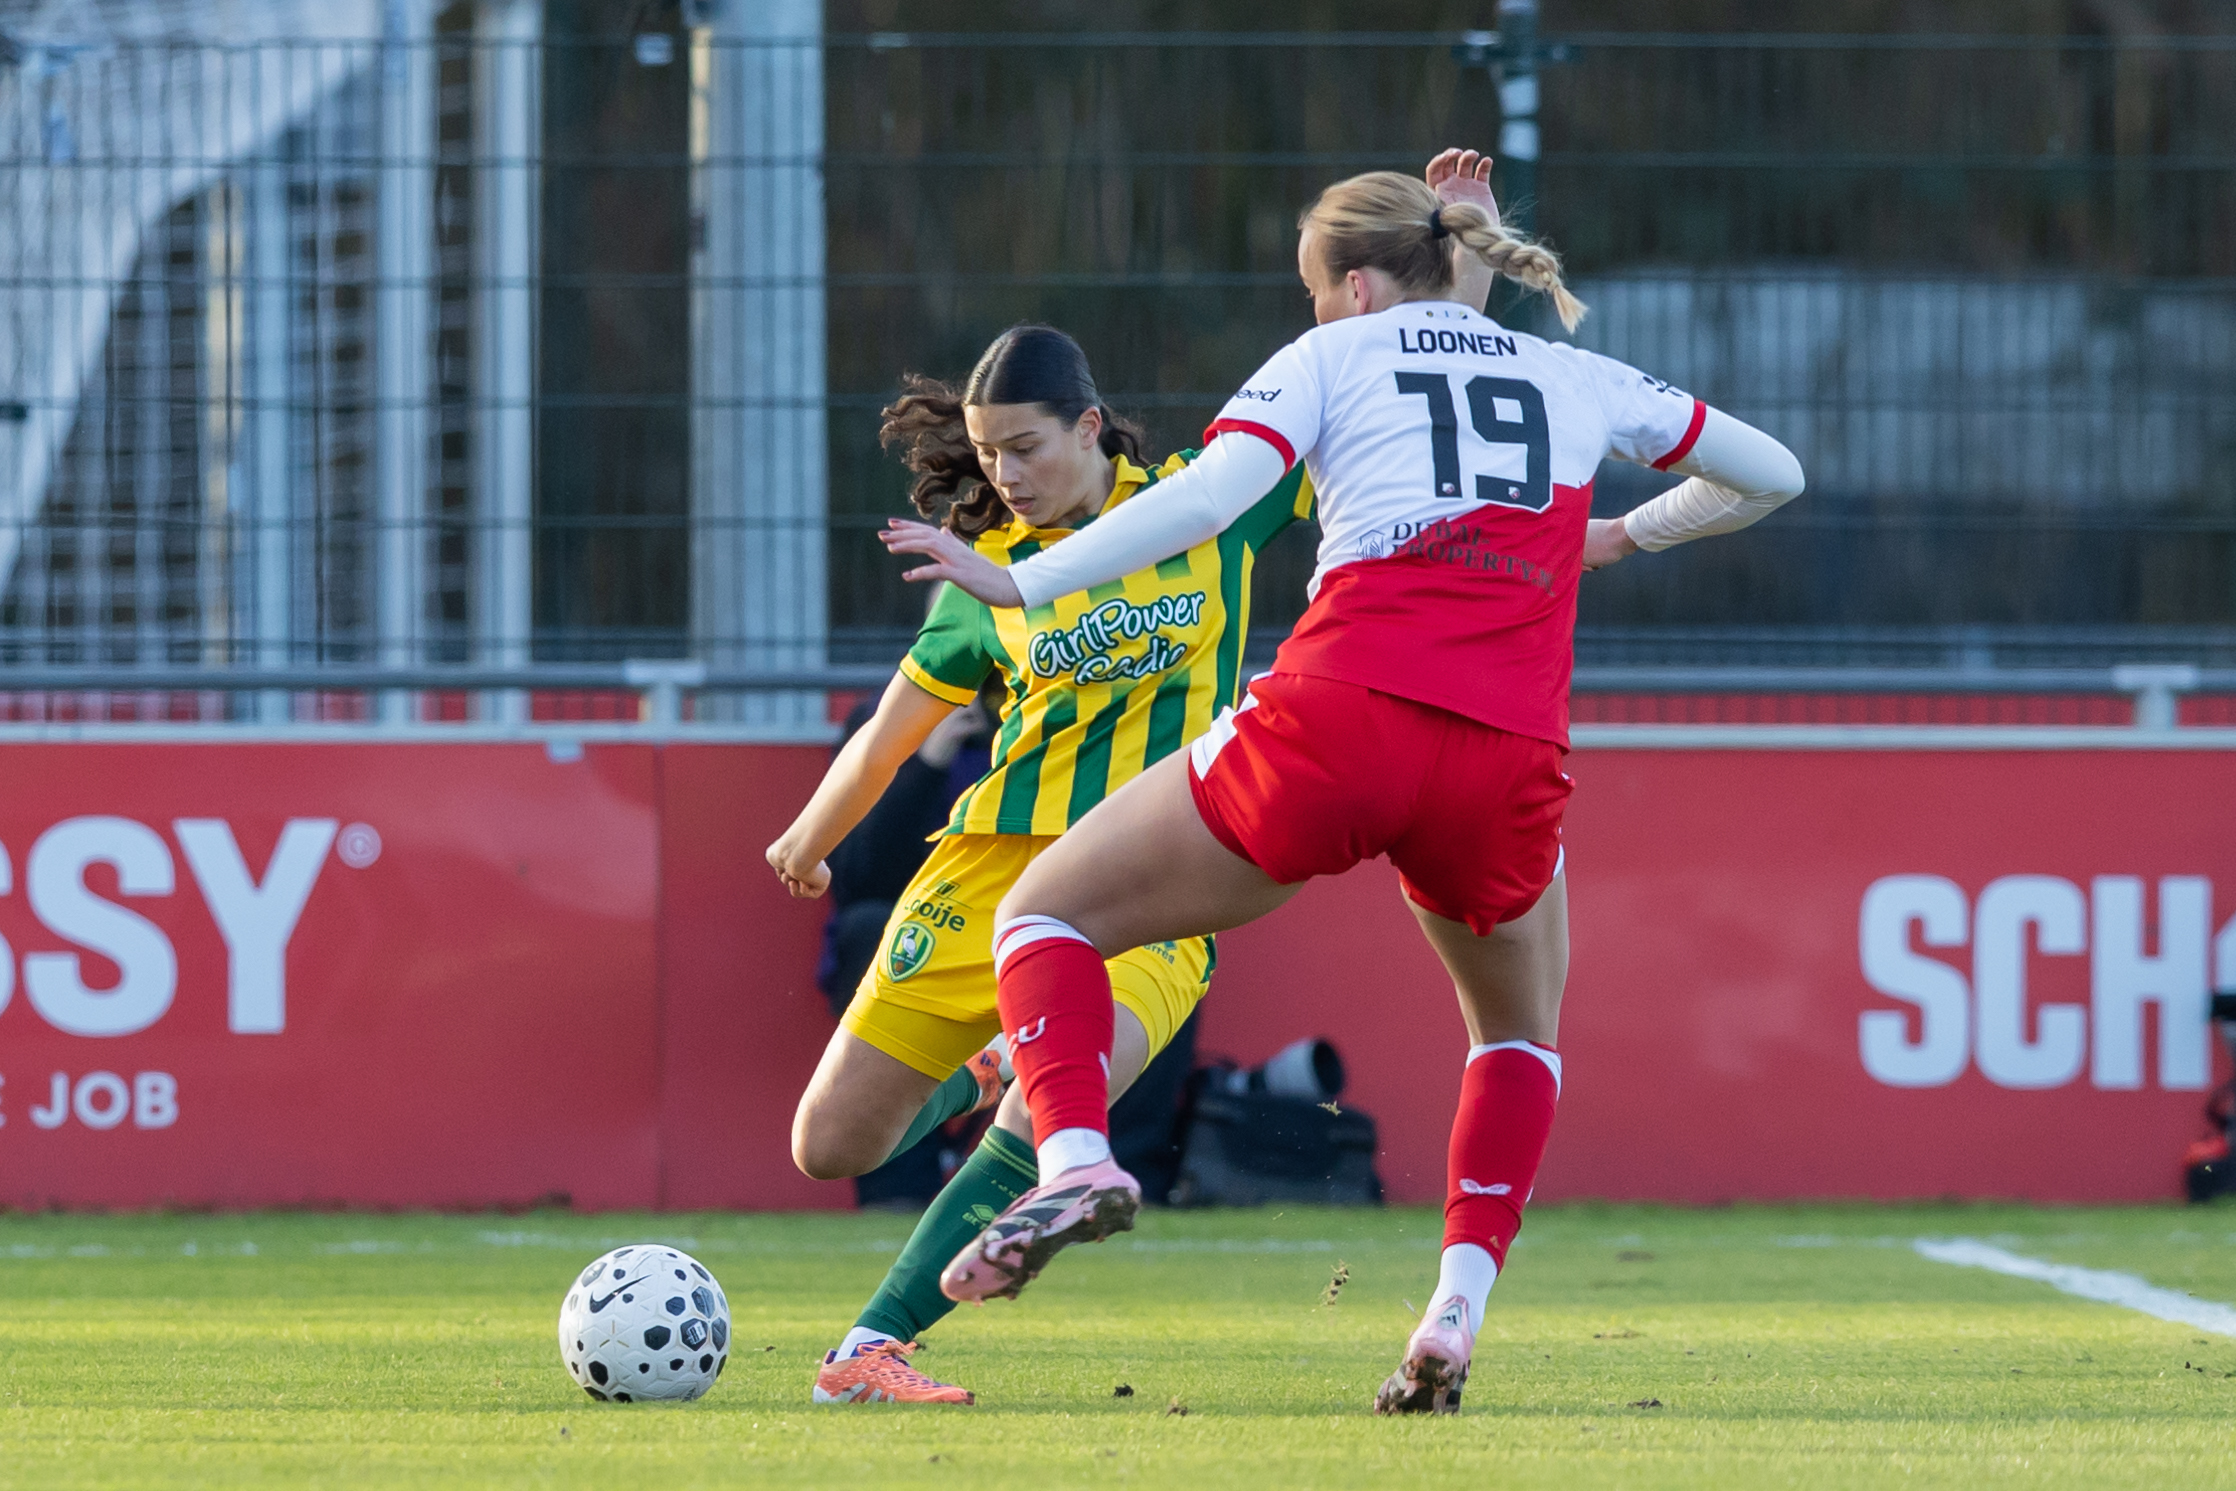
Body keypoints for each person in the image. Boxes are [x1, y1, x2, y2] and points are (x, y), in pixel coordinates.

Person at [879, 157, 1806, 1415]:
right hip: (1504, 755)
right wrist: (1626, 534)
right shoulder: (1577, 377)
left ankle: (1078, 1158)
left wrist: (1021, 581)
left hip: (1342, 721)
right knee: (1518, 1037)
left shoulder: (1331, 356)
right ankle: (1450, 1319)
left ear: (1355, 284)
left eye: (1318, 291)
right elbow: (1772, 475)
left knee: (1043, 913)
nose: (1314, 312)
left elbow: (1212, 496)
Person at [764, 323, 1312, 1405]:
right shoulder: (989, 574)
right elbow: (890, 727)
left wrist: (1452, 277)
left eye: (1024, 447)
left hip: (1154, 884)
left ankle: (866, 1350)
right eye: (988, 454)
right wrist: (807, 840)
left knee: (1059, 1107)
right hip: (987, 878)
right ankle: (984, 1067)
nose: (1005, 477)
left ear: (1091, 427)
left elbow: (1364, 384)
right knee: (831, 1146)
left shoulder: (1215, 500)